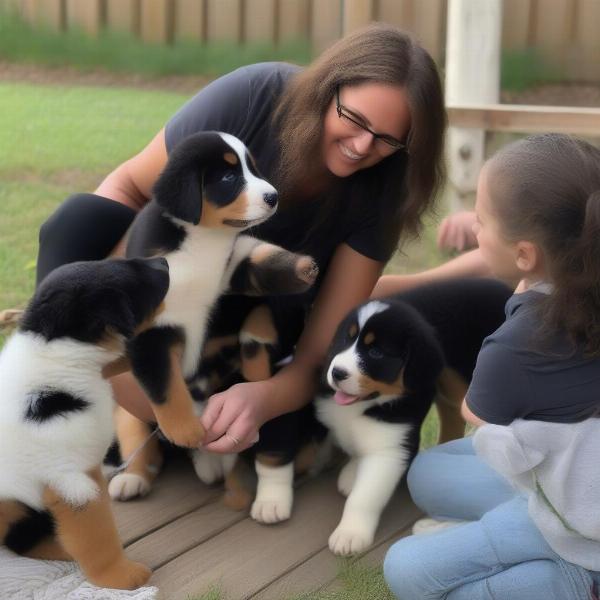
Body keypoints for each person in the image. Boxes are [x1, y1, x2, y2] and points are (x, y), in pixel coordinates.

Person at [36, 23, 455, 455]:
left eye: (388, 140)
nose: (362, 146)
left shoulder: (385, 192)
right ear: (327, 90)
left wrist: (263, 400)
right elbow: (129, 188)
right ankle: (70, 378)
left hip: (248, 323)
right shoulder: (254, 96)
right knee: (79, 219)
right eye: (354, 119)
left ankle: (155, 417)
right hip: (153, 288)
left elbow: (320, 351)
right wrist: (110, 292)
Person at [383, 133, 600, 600]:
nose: (473, 231)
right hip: (573, 479)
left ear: (526, 254)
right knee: (426, 473)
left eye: (480, 222)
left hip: (581, 536)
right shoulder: (581, 282)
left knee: (406, 570)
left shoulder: (516, 346)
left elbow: (478, 420)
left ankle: (577, 585)